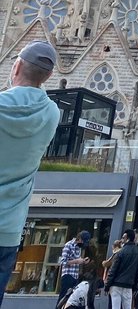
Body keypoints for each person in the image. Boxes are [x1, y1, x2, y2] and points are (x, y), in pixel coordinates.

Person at [0, 41, 61, 308]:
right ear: (48, 77)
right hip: (8, 233)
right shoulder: (51, 114)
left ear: (15, 66)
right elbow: (39, 92)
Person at [106, 229, 138, 309]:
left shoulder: (120, 252)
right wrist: (135, 286)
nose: (122, 240)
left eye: (123, 238)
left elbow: (113, 270)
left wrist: (107, 285)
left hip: (116, 284)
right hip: (128, 285)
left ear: (127, 238)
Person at [57, 232, 93, 307]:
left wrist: (83, 261)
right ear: (79, 239)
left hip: (75, 276)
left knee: (72, 299)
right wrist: (77, 261)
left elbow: (77, 260)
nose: (83, 244)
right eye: (83, 241)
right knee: (63, 297)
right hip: (67, 275)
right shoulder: (68, 245)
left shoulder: (78, 248)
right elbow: (63, 262)